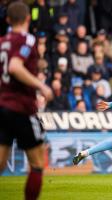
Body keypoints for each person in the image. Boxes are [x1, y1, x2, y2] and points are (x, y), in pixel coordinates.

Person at [0, 2, 53, 200]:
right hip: (21, 108)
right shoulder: (28, 39)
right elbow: (15, 66)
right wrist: (41, 86)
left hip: (2, 105)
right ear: (28, 19)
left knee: (1, 163)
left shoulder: (2, 42)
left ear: (7, 20)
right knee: (38, 162)